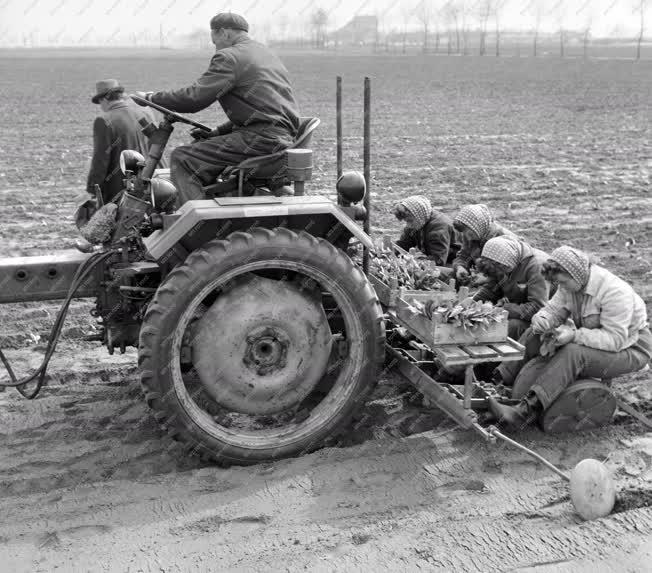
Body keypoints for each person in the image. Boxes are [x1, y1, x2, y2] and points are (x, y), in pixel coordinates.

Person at [135, 12, 300, 205]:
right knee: (202, 155)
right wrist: (218, 132)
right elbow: (262, 109)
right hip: (279, 137)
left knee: (183, 158)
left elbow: (195, 98)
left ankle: (193, 225)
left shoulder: (230, 57)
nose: (215, 47)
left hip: (261, 139)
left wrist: (151, 97)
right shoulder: (265, 54)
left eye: (215, 41)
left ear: (224, 33)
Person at [489, 246, 651, 427]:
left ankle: (525, 411)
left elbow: (614, 339)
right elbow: (553, 309)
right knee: (536, 333)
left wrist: (573, 335)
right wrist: (543, 320)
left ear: (576, 273)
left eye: (563, 283)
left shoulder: (615, 292)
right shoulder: (571, 283)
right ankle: (498, 384)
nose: (561, 287)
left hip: (630, 349)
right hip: (603, 342)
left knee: (573, 352)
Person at [86, 79, 164, 205]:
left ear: (104, 99)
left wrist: (92, 191)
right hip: (156, 184)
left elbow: (100, 161)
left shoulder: (104, 120)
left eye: (100, 102)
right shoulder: (145, 111)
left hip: (125, 192)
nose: (101, 107)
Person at [473, 236, 549, 340]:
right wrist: (472, 303)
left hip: (541, 318)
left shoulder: (536, 267)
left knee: (509, 326)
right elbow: (491, 288)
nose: (501, 274)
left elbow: (537, 307)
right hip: (516, 307)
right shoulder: (502, 262)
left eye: (503, 270)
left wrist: (505, 309)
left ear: (508, 263)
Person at [452, 204, 516, 285]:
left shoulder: (501, 240)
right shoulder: (472, 234)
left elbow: (510, 273)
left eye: (470, 233)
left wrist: (487, 278)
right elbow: (463, 256)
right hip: (481, 278)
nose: (468, 237)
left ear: (478, 225)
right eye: (464, 233)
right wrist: (460, 267)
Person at [393, 195, 460, 266]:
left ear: (419, 216)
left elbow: (438, 260)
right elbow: (403, 244)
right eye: (406, 221)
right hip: (437, 256)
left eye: (410, 221)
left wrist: (416, 262)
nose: (408, 225)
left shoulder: (438, 229)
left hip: (455, 261)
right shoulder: (418, 222)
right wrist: (391, 252)